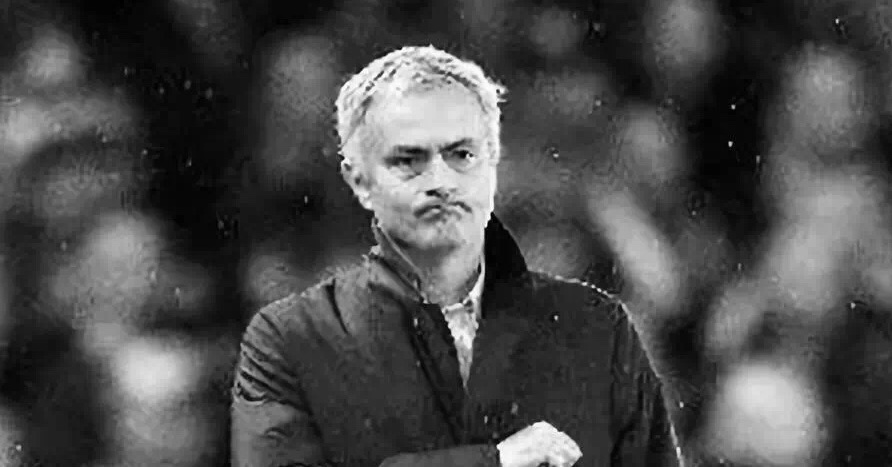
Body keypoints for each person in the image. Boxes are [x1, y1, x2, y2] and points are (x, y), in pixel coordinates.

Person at [231, 45, 678, 467]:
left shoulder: (600, 331)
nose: (440, 181)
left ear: (494, 164)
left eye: (461, 155)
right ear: (360, 181)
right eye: (408, 160)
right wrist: (495, 461)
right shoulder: (288, 341)